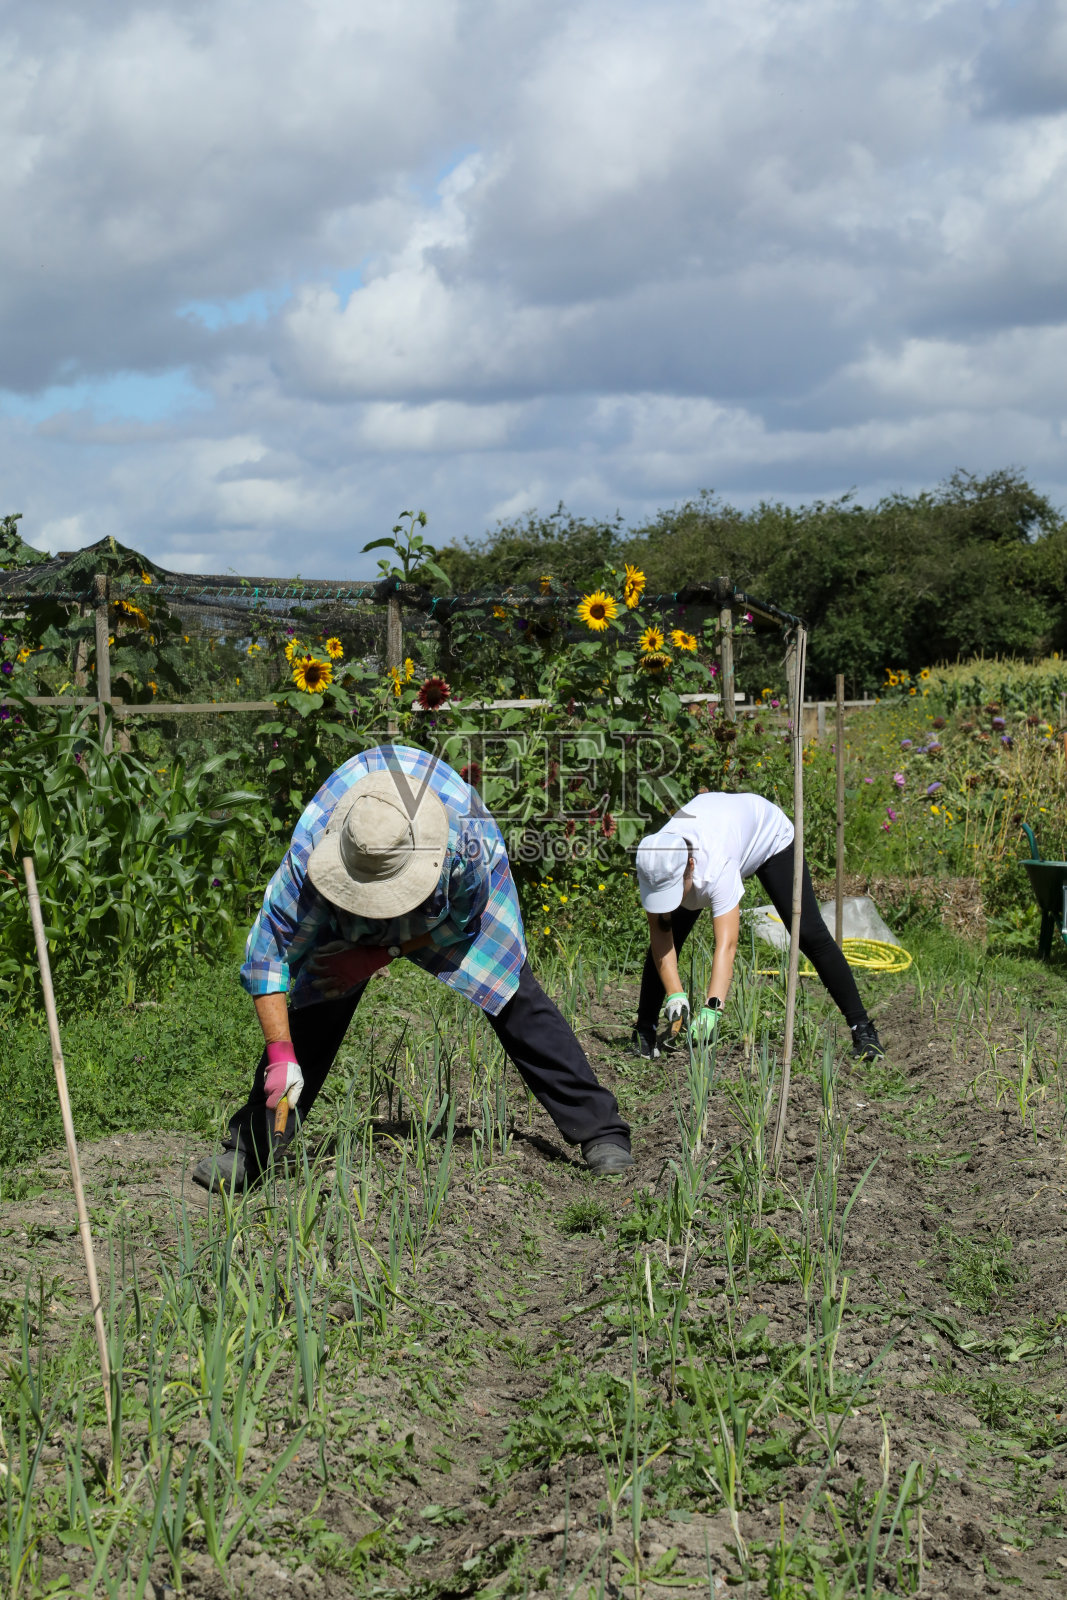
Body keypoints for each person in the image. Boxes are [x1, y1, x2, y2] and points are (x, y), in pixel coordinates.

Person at [193, 744, 633, 1191]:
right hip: (343, 889)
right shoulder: (311, 854)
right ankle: (250, 1151)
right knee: (318, 994)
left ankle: (600, 1130)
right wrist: (281, 1057)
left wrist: (375, 955)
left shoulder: (464, 845)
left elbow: (462, 921)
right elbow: (267, 957)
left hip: (440, 904)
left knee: (512, 995)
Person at [631, 789, 885, 1060]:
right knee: (674, 932)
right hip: (719, 824)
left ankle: (863, 1029)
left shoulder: (717, 867)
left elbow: (726, 946)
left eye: (674, 890)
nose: (669, 902)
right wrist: (675, 994)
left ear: (690, 866)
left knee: (810, 934)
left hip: (768, 836)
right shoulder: (655, 861)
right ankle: (645, 1029)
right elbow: (661, 936)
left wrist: (711, 1008)